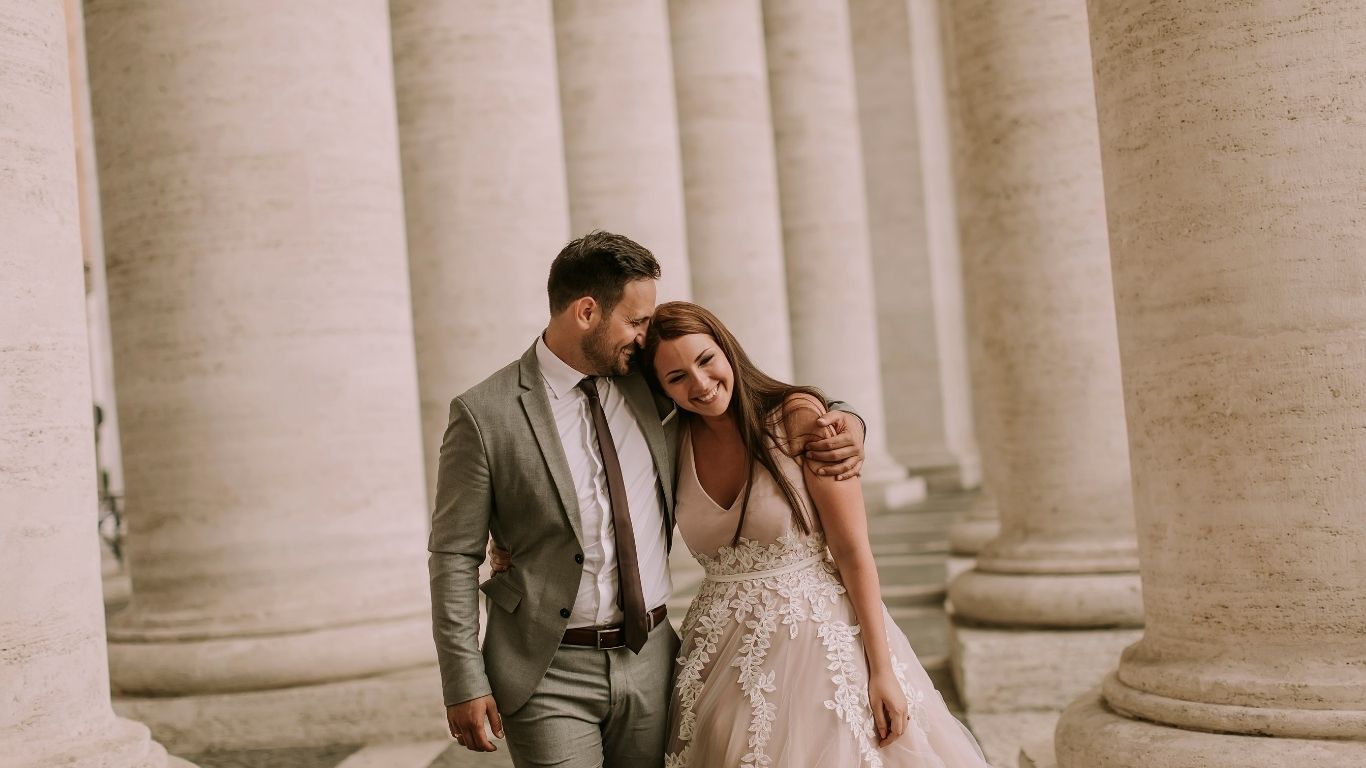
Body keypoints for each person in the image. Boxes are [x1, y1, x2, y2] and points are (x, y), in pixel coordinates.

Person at [429, 231, 868, 768]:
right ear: (587, 311)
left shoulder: (646, 381)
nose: (644, 335)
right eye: (635, 321)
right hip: (549, 670)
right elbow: (453, 555)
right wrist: (462, 679)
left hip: (654, 658)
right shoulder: (484, 414)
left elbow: (734, 392)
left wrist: (846, 420)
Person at [642, 301, 990, 767]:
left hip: (818, 643)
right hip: (716, 652)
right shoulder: (669, 443)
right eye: (677, 377)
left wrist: (881, 669)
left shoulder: (797, 417)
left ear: (726, 350)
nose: (700, 384)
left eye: (705, 360)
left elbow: (852, 550)